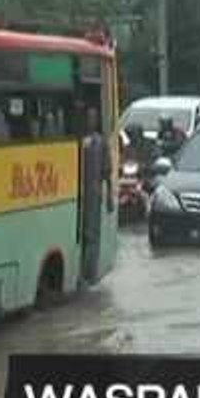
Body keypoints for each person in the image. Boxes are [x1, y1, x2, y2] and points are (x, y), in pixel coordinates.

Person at [80, 106, 112, 288]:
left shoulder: (101, 142)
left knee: (93, 235)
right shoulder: (79, 141)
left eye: (94, 117)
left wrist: (109, 198)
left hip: (94, 192)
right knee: (84, 235)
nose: (91, 120)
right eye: (88, 117)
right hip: (79, 194)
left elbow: (107, 172)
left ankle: (90, 275)